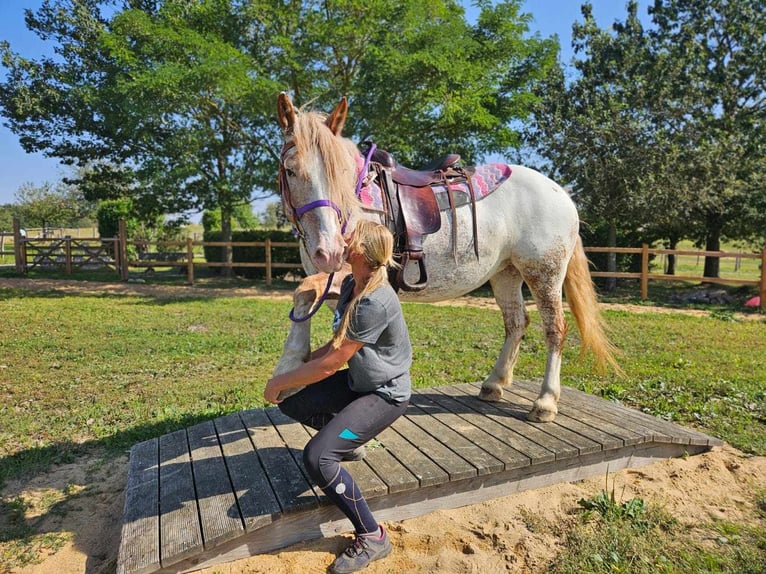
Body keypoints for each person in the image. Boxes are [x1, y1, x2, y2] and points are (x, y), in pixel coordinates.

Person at [264, 220, 412, 574]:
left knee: (318, 458)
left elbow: (331, 365)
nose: (343, 239)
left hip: (385, 394)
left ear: (361, 251)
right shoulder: (350, 284)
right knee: (292, 399)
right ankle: (346, 438)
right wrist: (295, 372)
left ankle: (372, 535)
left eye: (351, 236)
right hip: (359, 381)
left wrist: (277, 380)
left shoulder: (375, 300)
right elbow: (333, 347)